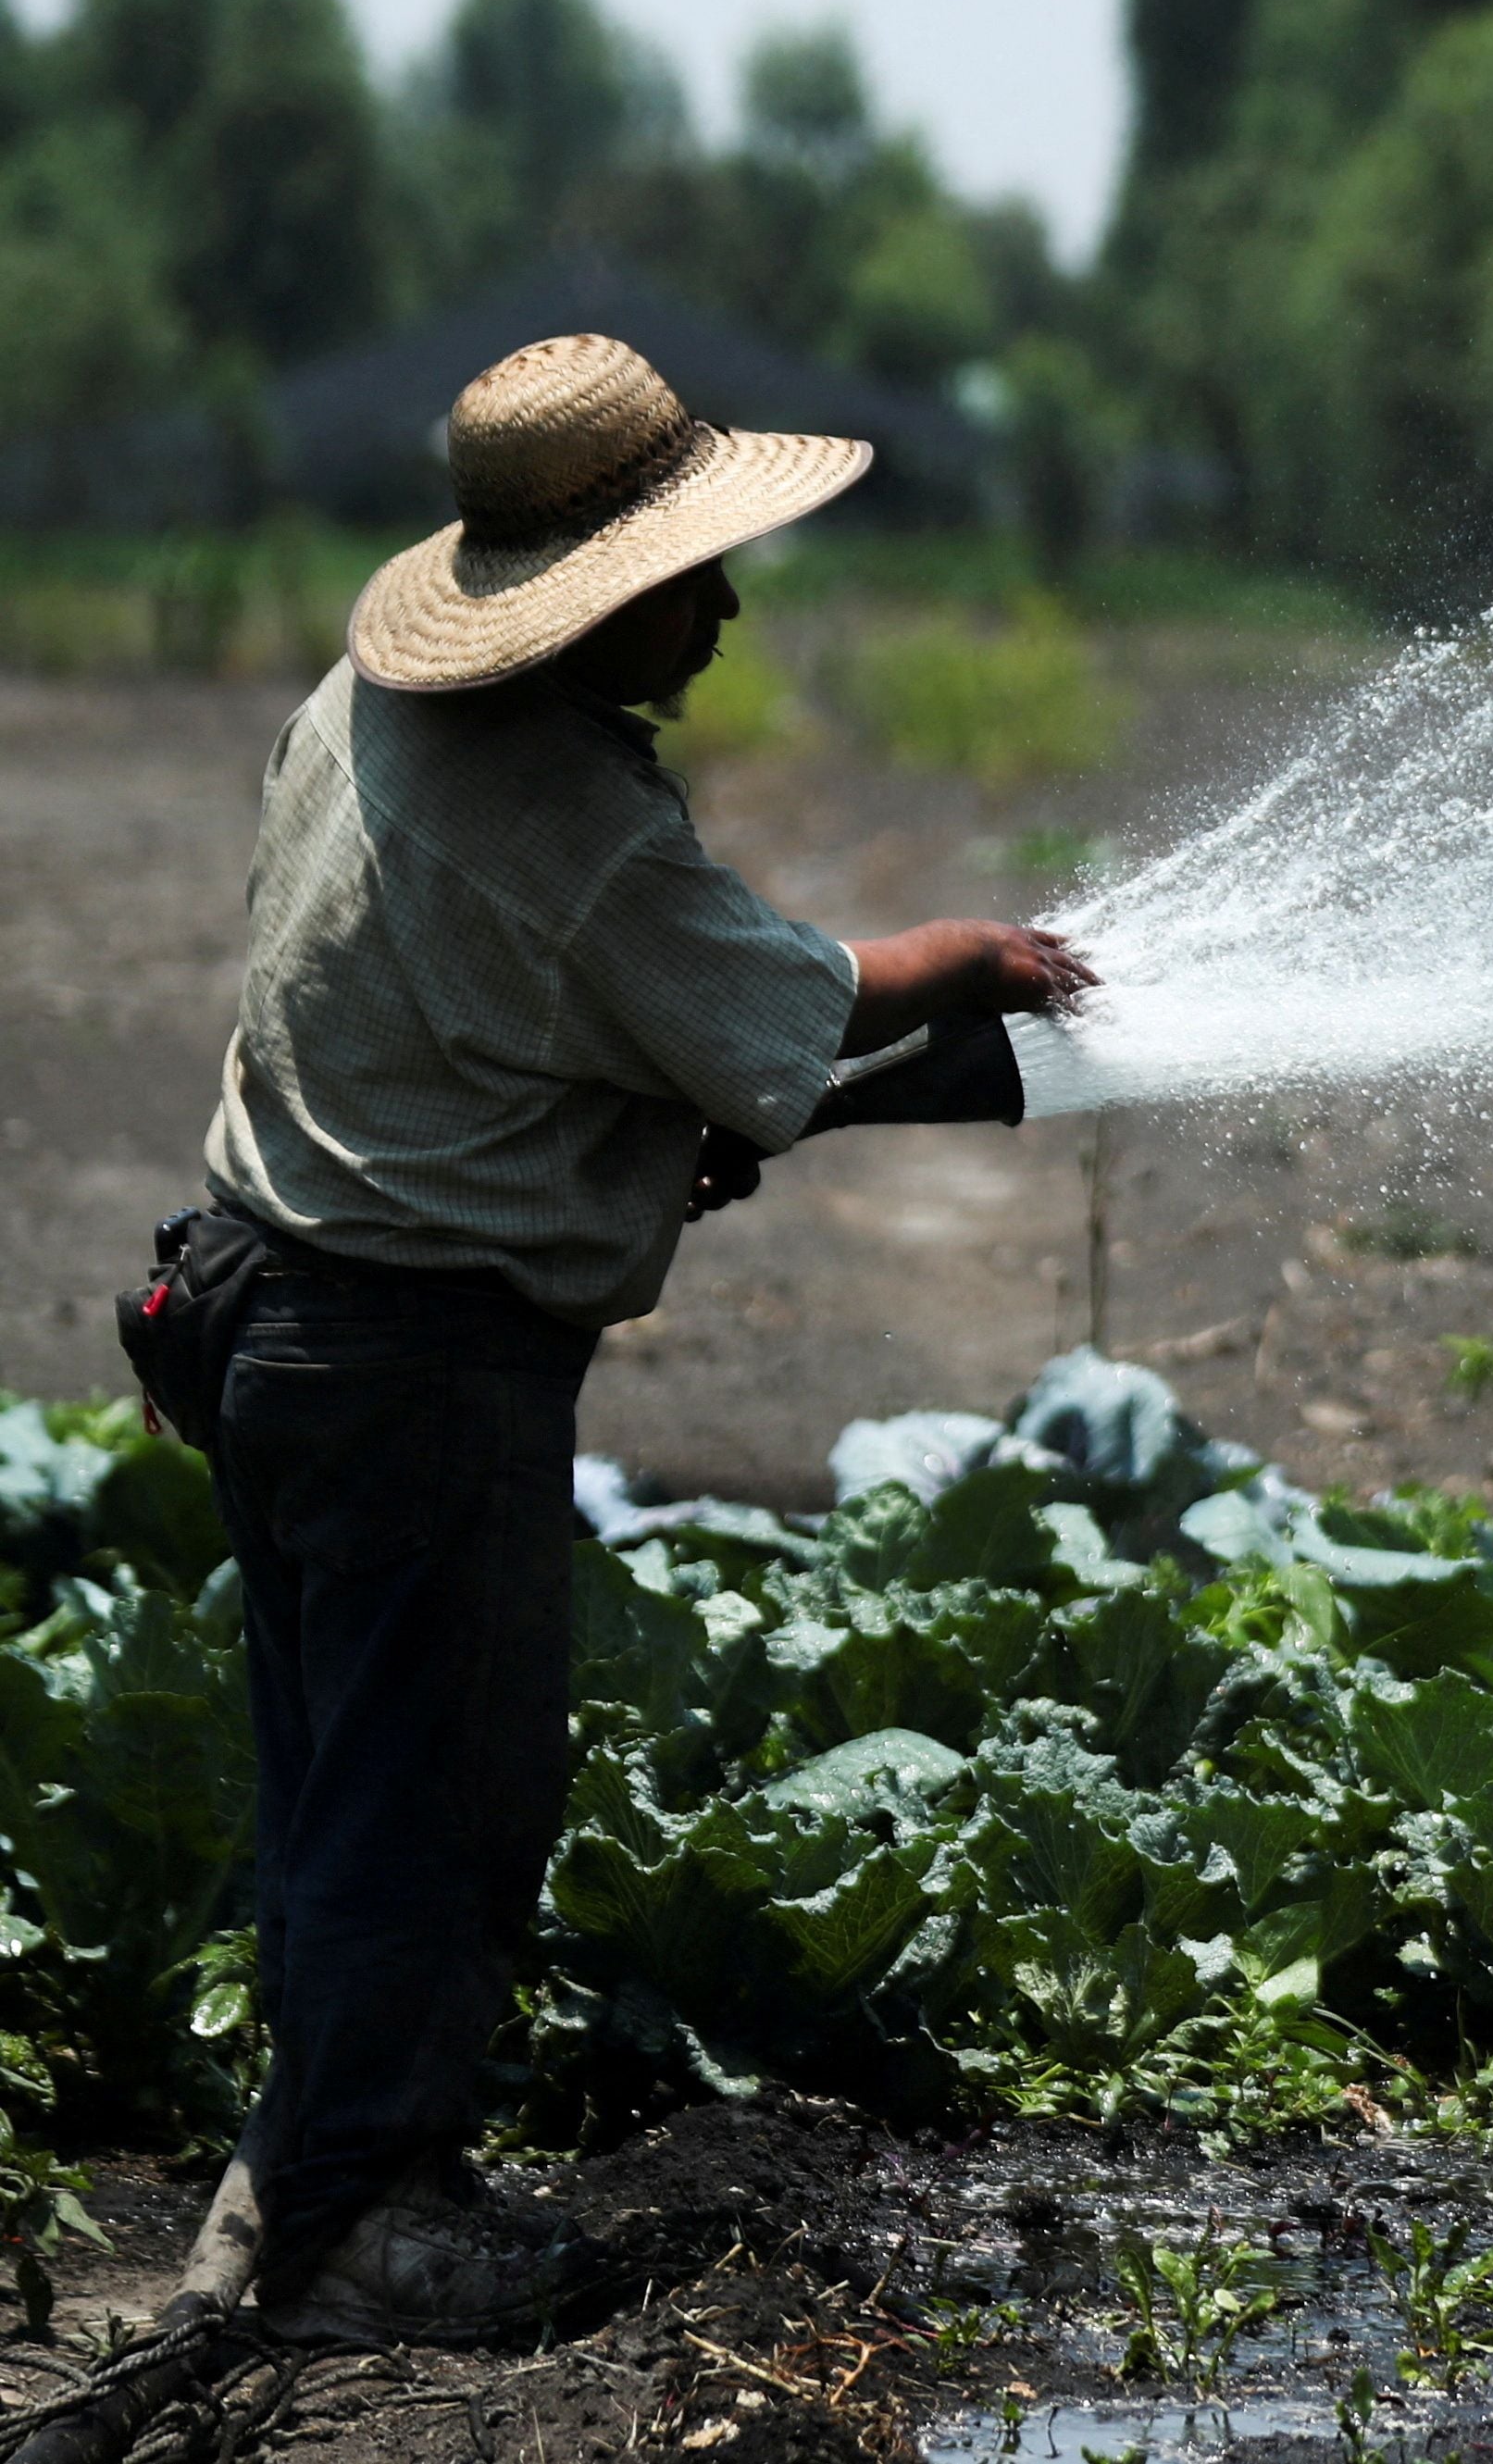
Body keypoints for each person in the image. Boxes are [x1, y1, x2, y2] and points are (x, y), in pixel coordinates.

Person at [164, 334, 1094, 2347]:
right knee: (439, 1806)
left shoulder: (356, 711)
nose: (734, 603)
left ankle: (307, 2173)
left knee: (344, 1782)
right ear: (604, 588)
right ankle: (355, 2239)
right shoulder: (568, 817)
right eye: (701, 567)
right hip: (418, 1364)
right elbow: (797, 998)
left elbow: (445, 1007)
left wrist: (602, 1134)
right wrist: (985, 958)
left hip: (266, 1301)